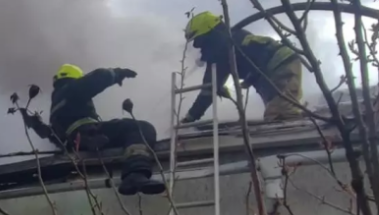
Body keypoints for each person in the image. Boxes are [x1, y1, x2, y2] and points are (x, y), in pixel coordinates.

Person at [22, 64, 166, 196]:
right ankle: (136, 174)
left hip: (81, 140)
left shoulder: (58, 103)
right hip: (87, 133)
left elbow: (54, 135)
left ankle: (134, 176)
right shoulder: (70, 88)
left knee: (128, 137)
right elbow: (96, 79)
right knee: (140, 128)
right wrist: (117, 73)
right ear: (75, 78)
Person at [181, 12, 305, 124]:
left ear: (208, 35)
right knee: (278, 110)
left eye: (198, 41)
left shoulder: (221, 48)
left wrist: (190, 118)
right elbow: (211, 86)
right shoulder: (229, 40)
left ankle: (299, 139)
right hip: (273, 69)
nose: (198, 47)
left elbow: (208, 89)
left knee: (279, 114)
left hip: (278, 65)